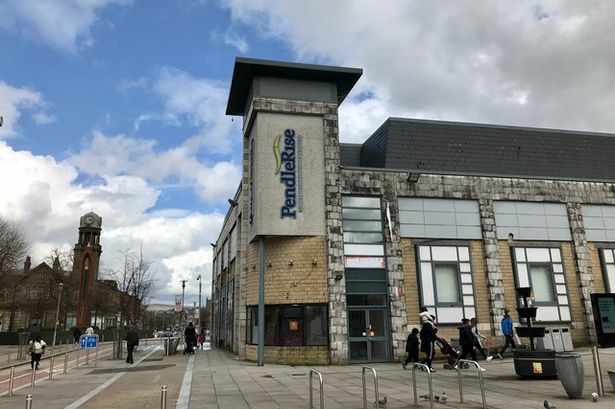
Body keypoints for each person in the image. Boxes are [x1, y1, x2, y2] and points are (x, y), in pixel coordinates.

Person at [419, 307, 437, 372]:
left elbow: (421, 335)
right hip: (429, 342)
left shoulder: (424, 326)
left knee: (431, 354)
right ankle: (429, 367)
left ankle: (423, 364)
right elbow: (432, 333)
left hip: (425, 342)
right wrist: (435, 330)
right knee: (430, 354)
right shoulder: (428, 325)